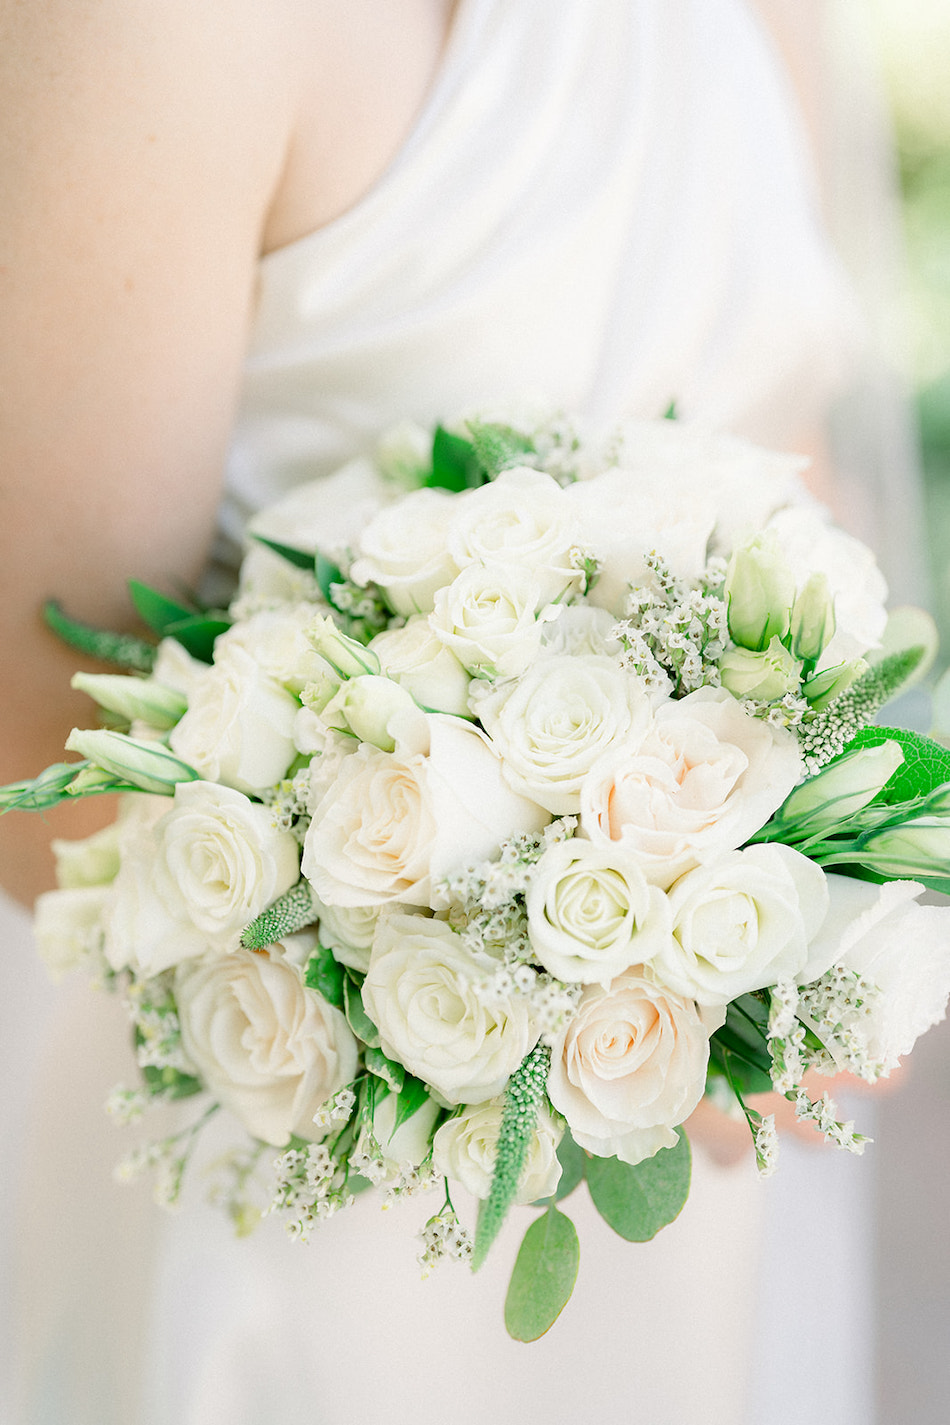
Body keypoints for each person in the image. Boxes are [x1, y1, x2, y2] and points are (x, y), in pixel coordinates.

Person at [0, 2, 882, 1421]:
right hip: (301, 1180)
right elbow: (37, 734)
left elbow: (796, 479)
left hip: (688, 1176)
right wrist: (567, 963)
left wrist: (792, 930)